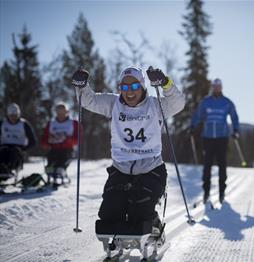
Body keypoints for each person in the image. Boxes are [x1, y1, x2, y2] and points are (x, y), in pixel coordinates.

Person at [72, 65, 185, 238]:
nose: (129, 91)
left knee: (139, 212)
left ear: (142, 86)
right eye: (124, 87)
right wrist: (81, 86)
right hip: (120, 169)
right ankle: (120, 237)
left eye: (134, 86)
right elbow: (89, 101)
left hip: (151, 169)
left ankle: (154, 224)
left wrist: (165, 83)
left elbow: (178, 103)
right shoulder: (113, 103)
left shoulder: (155, 106)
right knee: (109, 213)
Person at [190, 78, 239, 204]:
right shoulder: (206, 102)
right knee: (207, 166)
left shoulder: (227, 102)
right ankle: (206, 191)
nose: (216, 88)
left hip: (222, 138)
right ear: (212, 87)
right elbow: (197, 115)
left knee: (222, 165)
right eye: (214, 86)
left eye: (218, 86)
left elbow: (234, 116)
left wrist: (236, 130)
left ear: (221, 87)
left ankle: (222, 191)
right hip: (208, 137)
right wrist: (192, 126)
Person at [40, 102, 78, 184]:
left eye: (62, 112)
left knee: (60, 165)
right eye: (58, 112)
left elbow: (78, 139)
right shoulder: (51, 123)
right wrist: (47, 142)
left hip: (67, 149)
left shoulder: (73, 123)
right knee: (49, 167)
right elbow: (44, 138)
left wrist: (66, 139)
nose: (60, 114)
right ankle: (51, 175)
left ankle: (60, 171)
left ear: (66, 112)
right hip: (53, 149)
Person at [0, 103, 37, 178]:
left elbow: (33, 140)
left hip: (18, 147)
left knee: (14, 152)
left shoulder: (24, 124)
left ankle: (9, 169)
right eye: (11, 116)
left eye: (15, 115)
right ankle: (2, 169)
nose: (13, 118)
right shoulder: (2, 124)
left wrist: (24, 149)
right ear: (8, 115)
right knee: (3, 151)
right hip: (4, 146)